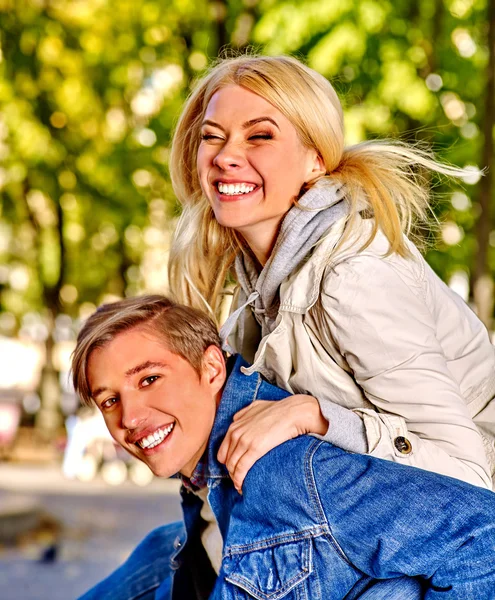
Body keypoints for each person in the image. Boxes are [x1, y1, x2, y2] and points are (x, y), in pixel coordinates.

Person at [168, 54, 495, 495]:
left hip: (467, 539)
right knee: (162, 550)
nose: (227, 156)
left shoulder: (354, 278)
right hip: (389, 518)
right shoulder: (262, 287)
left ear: (315, 161)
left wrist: (312, 415)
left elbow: (467, 475)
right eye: (213, 137)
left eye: (259, 136)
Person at [72, 295, 495, 600]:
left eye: (149, 379)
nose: (129, 417)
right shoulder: (202, 488)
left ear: (212, 368)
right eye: (110, 400)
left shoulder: (288, 471)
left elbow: (483, 537)